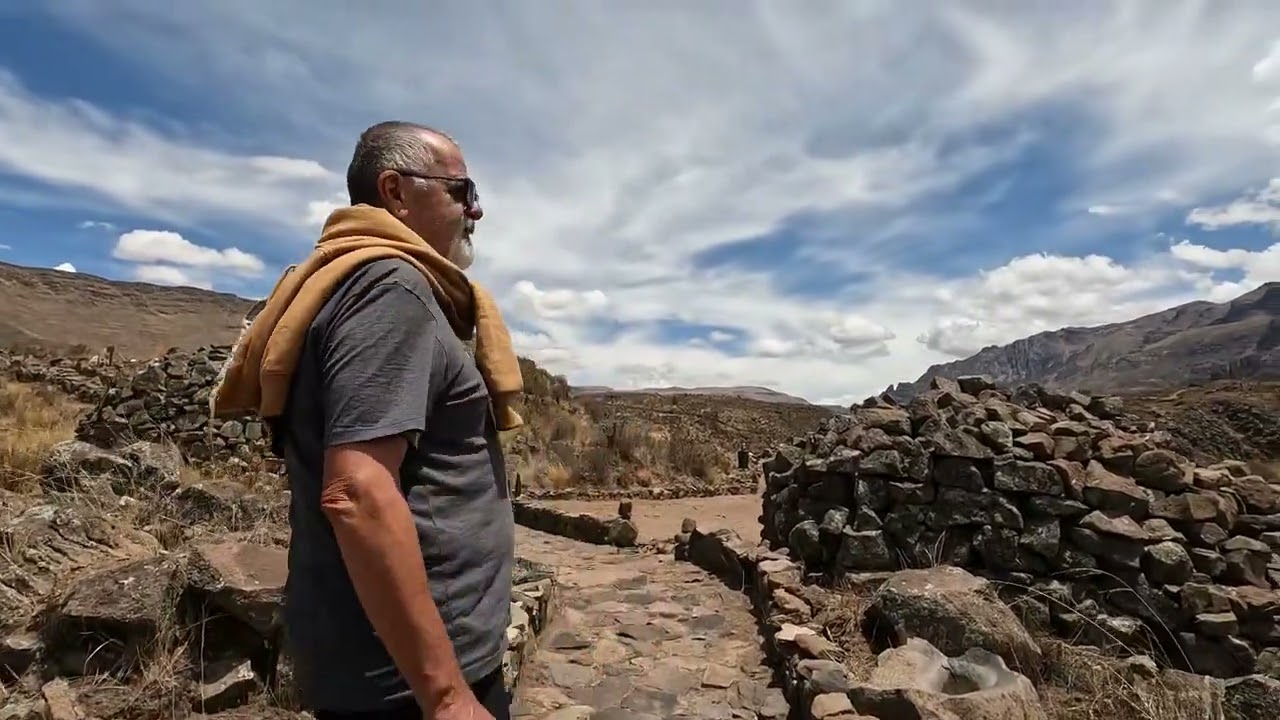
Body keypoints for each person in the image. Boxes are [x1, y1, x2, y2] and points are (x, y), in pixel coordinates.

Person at [209, 121, 525, 719]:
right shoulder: (391, 290)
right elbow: (357, 490)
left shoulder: (351, 282)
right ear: (396, 192)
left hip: (389, 664)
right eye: (462, 190)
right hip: (409, 682)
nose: (476, 209)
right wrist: (448, 696)